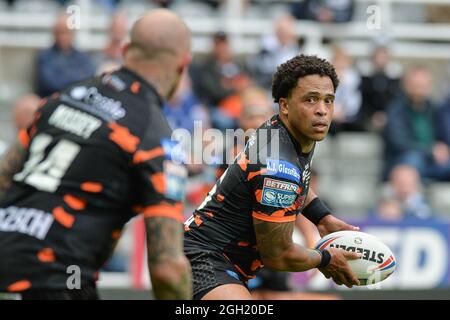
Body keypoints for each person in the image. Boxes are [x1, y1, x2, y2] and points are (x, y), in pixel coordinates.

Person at [0, 9, 192, 300]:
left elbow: (3, 178)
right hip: (58, 280)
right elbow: (167, 269)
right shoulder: (157, 139)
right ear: (183, 65)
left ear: (126, 50)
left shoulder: (62, 97)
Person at [184, 54, 361, 300]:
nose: (322, 110)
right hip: (204, 262)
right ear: (285, 105)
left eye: (328, 101)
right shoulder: (278, 163)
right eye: (310, 100)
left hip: (219, 262)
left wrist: (321, 216)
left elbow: (296, 181)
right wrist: (326, 259)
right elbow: (278, 255)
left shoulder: (285, 132)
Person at [383, 66, 450, 181]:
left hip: (432, 160)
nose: (420, 89)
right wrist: (429, 150)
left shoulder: (434, 109)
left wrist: (442, 149)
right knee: (413, 160)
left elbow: (443, 136)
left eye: (424, 85)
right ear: (406, 85)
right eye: (417, 85)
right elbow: (399, 142)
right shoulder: (396, 109)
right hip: (403, 160)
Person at [36, 14, 95, 98]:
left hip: (77, 100)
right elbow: (50, 83)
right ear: (54, 34)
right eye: (59, 32)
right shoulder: (45, 56)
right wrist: (74, 81)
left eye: (66, 32)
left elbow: (88, 79)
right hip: (52, 99)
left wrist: (64, 76)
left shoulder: (83, 57)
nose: (62, 37)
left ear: (72, 34)